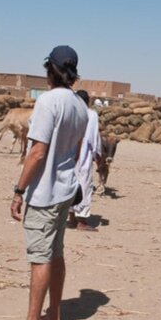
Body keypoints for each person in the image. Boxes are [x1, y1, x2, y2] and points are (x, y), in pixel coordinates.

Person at [0, 45, 88, 320]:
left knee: (40, 257)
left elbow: (36, 152)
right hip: (65, 190)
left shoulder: (49, 102)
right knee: (56, 252)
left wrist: (18, 191)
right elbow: (74, 154)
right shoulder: (79, 106)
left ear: (50, 69)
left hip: (46, 192)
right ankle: (54, 315)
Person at [68, 90, 101, 231]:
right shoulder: (92, 114)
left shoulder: (71, 113)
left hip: (68, 155)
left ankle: (71, 219)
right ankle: (81, 220)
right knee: (84, 185)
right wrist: (96, 153)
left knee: (70, 183)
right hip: (83, 155)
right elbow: (93, 137)